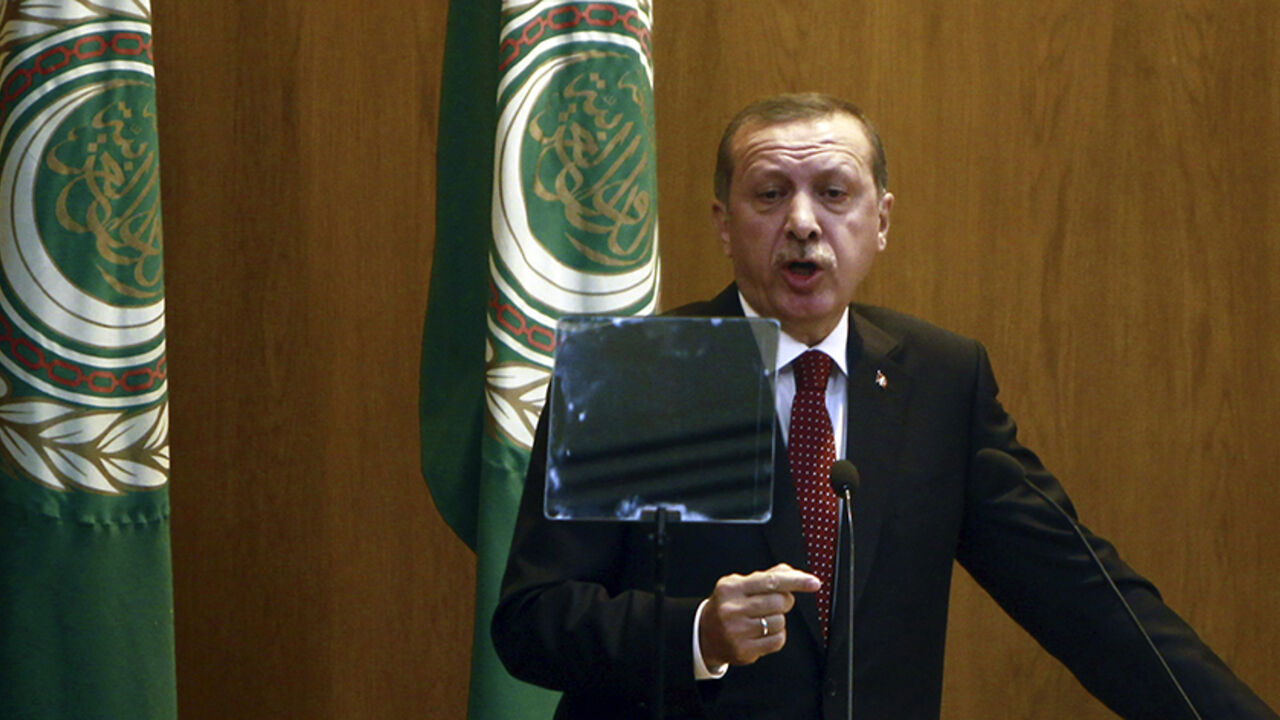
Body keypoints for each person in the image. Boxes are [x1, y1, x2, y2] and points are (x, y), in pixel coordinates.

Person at [491, 93, 1277, 719]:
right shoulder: (641, 373)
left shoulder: (939, 380)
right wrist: (698, 632)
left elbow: (1083, 594)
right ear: (724, 226)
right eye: (770, 195)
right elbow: (532, 621)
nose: (803, 223)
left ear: (882, 221)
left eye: (834, 193)